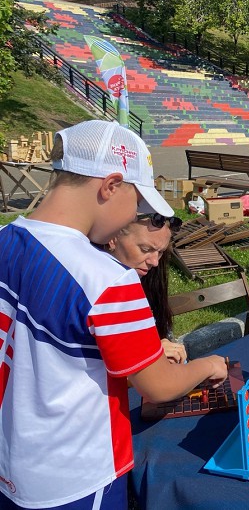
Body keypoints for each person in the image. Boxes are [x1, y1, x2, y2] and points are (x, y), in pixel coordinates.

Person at [0, 120, 228, 509]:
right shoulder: (106, 277)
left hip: (14, 462)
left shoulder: (6, 239)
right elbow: (158, 387)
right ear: (110, 185)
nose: (132, 216)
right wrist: (208, 365)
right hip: (78, 475)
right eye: (136, 203)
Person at [107, 213, 188, 363]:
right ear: (113, 238)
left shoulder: (147, 278)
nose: (155, 262)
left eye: (161, 252)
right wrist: (150, 352)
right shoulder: (95, 288)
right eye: (145, 249)